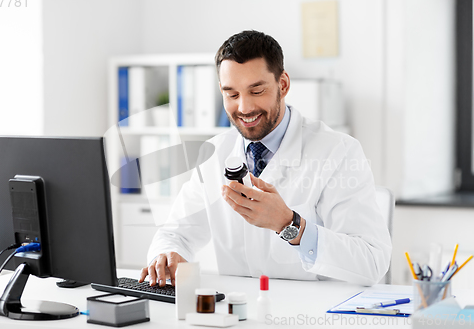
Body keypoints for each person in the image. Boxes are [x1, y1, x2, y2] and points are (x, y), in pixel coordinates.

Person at [139, 30, 392, 287]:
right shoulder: (214, 155)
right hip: (236, 314)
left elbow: (372, 262)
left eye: (256, 91)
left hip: (309, 312)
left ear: (282, 84)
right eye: (232, 95)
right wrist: (166, 254)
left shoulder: (338, 151)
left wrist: (288, 224)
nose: (244, 108)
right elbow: (176, 233)